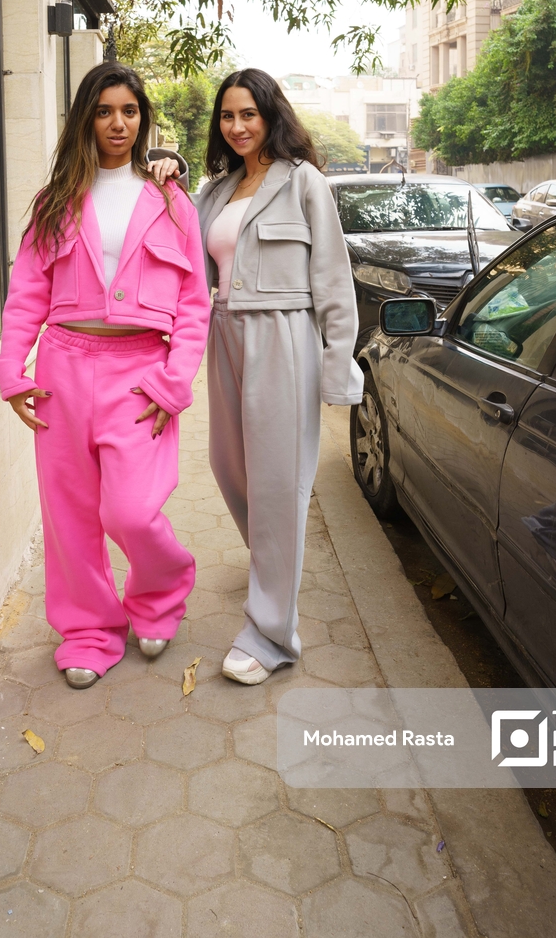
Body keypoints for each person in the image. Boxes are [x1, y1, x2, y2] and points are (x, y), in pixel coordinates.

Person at [0, 63, 210, 688]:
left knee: (132, 513)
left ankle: (160, 595)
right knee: (70, 515)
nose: (118, 123)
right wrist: (13, 370)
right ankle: (88, 630)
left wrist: (176, 380)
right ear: (86, 116)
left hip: (141, 373)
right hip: (63, 368)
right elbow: (26, 294)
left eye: (130, 111)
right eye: (105, 110)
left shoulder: (171, 200)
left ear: (143, 119)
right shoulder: (54, 202)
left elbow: (196, 303)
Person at [197, 69, 363, 684]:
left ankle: (272, 634)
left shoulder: (304, 183)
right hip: (225, 337)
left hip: (284, 336)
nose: (237, 127)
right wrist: (160, 175)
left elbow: (334, 282)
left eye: (248, 114)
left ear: (270, 115)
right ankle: (273, 564)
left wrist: (336, 365)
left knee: (277, 483)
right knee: (229, 467)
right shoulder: (215, 191)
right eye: (227, 116)